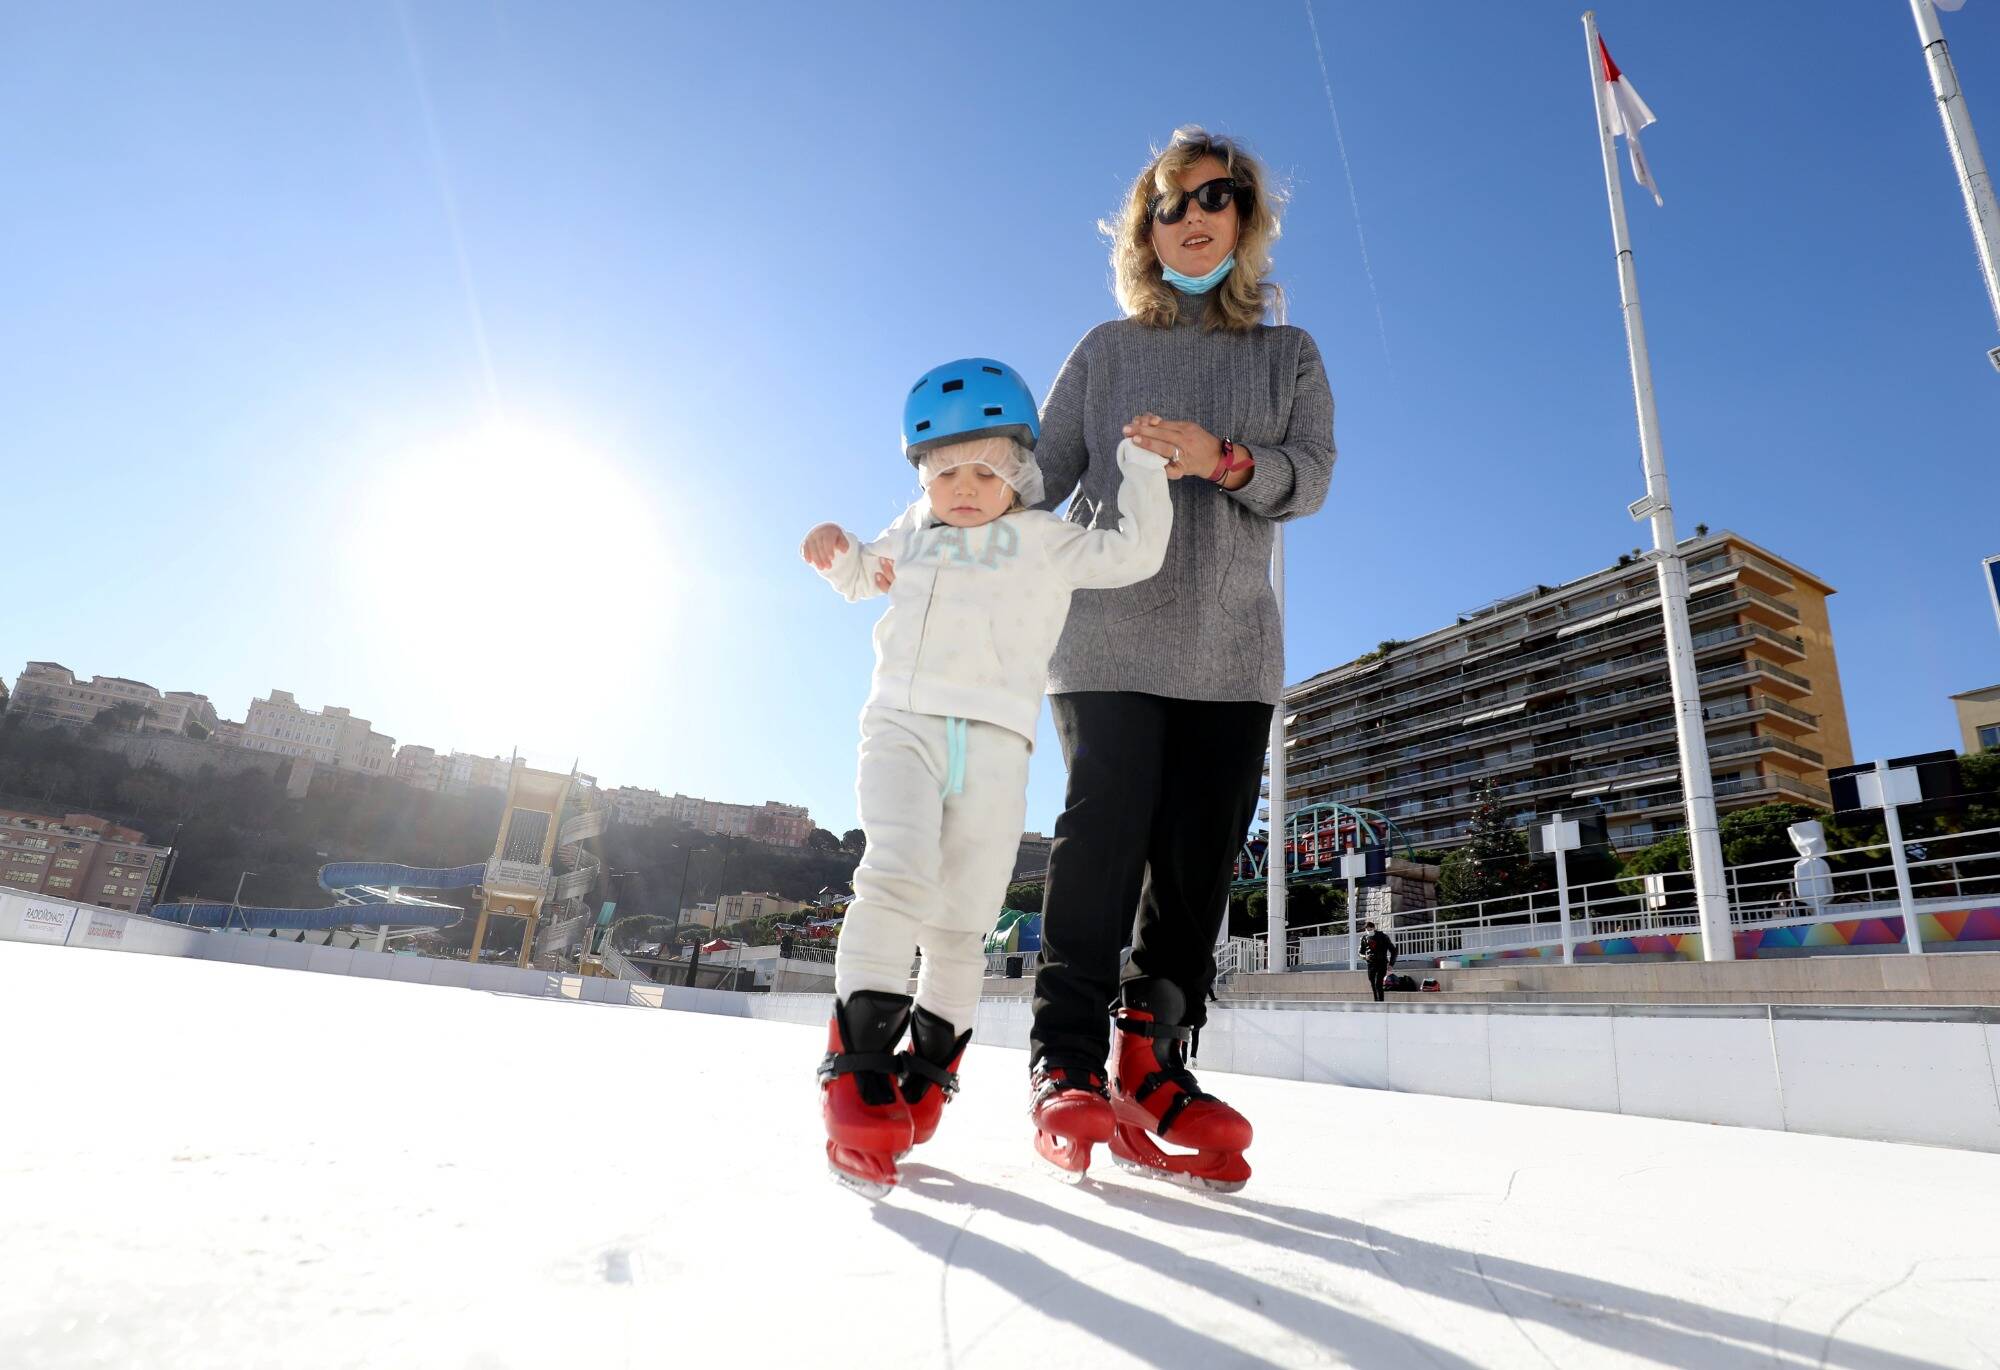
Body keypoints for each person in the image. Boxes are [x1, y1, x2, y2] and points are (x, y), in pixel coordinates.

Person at [1027, 127, 1335, 1192]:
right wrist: (923, 521)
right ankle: (1064, 1064)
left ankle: (1155, 1062)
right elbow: (1032, 475)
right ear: (1143, 229)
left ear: (1246, 218)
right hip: (1106, 631)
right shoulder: (1106, 351)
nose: (1190, 215)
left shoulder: (1286, 355)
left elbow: (1311, 477)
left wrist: (1224, 457)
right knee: (1102, 837)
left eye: (1214, 196)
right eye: (1167, 201)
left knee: (1198, 863)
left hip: (1230, 642)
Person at [800, 357, 1173, 1196]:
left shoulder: (1045, 539)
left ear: (1020, 471)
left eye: (984, 471)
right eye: (945, 474)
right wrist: (835, 550)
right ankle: (856, 1067)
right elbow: (864, 574)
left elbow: (1134, 553)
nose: (964, 490)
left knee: (963, 923)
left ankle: (927, 1074)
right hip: (903, 725)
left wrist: (1142, 472)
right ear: (922, 477)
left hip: (1000, 743)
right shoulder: (914, 532)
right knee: (894, 875)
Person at [1361, 922, 1397, 1003]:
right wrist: (1365, 957)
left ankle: (1380, 1002)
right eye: (1367, 929)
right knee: (1373, 984)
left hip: (1381, 963)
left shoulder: (1383, 936)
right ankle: (1376, 1002)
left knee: (1378, 983)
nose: (1368, 931)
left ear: (1374, 928)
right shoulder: (1364, 938)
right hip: (1370, 964)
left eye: (1370, 929)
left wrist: (1391, 964)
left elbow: (1393, 951)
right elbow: (1360, 952)